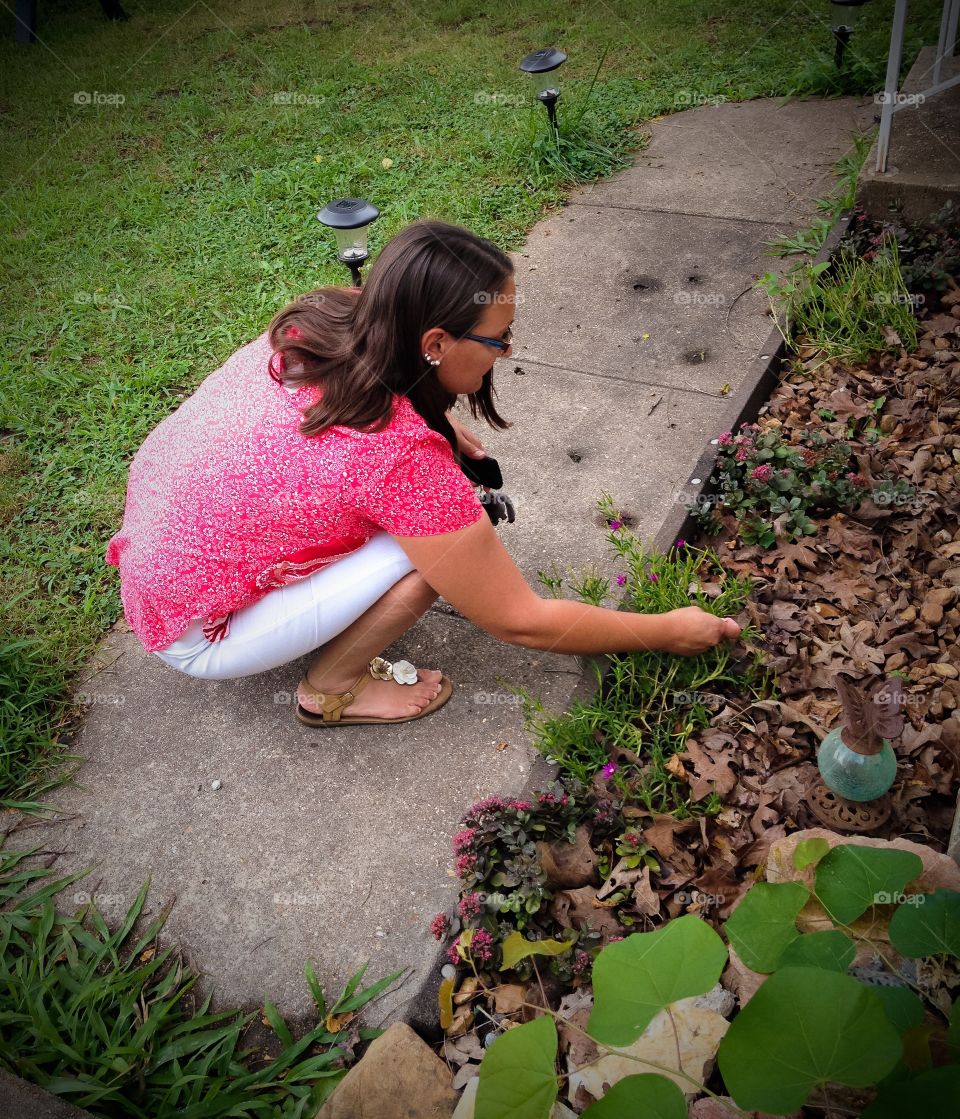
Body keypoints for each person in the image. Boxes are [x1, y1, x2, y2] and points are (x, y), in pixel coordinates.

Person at [105, 219, 740, 728]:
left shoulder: (338, 313)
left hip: (163, 559)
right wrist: (665, 632)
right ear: (434, 342)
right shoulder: (395, 455)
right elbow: (518, 618)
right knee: (437, 552)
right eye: (498, 339)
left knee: (435, 521)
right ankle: (329, 690)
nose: (507, 351)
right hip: (196, 628)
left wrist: (443, 429)